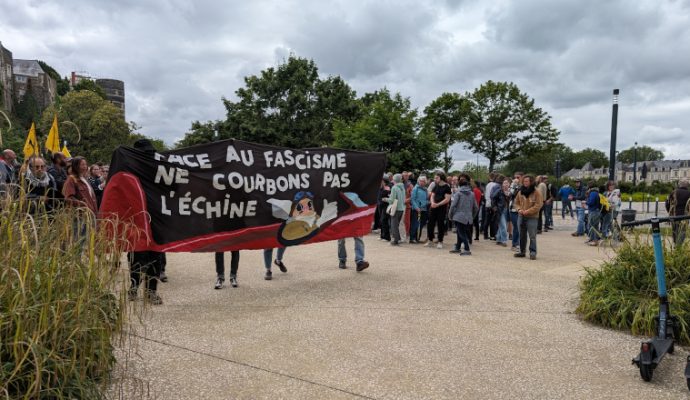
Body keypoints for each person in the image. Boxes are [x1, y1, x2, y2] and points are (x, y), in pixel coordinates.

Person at [514, 175, 543, 260]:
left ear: (531, 182)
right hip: (521, 216)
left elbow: (539, 205)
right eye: (524, 181)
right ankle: (522, 252)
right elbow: (516, 202)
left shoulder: (536, 192)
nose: (525, 183)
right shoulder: (520, 192)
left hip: (532, 217)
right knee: (522, 235)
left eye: (527, 181)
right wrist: (519, 209)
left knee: (532, 236)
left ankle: (533, 252)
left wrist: (528, 211)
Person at [448, 175, 478, 255]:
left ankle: (467, 248)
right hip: (468, 217)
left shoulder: (458, 193)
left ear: (459, 185)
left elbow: (453, 205)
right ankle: (458, 247)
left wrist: (450, 215)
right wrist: (472, 216)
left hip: (458, 216)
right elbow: (476, 207)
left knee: (461, 233)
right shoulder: (472, 194)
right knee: (460, 232)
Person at [426, 172, 452, 249]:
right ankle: (430, 240)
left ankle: (440, 241)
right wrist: (433, 202)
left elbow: (447, 199)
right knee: (430, 224)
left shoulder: (447, 187)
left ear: (441, 178)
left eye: (436, 178)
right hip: (433, 207)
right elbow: (432, 195)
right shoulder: (436, 186)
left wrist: (437, 204)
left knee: (440, 225)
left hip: (441, 209)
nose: (435, 179)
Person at [665, 179, 690, 245]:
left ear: (679, 185)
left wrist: (670, 212)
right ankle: (679, 246)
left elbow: (667, 204)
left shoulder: (673, 192)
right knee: (683, 231)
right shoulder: (689, 193)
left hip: (674, 215)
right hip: (685, 216)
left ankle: (676, 244)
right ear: (687, 186)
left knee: (675, 231)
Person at [384, 173, 406, 245]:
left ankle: (395, 241)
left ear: (394, 180)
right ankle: (398, 238)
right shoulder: (402, 187)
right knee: (397, 225)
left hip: (395, 208)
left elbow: (392, 200)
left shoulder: (394, 187)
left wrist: (385, 199)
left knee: (393, 225)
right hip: (401, 208)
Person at [409, 175, 429, 243]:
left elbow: (427, 199)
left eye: (423, 181)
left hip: (424, 209)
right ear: (418, 181)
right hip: (416, 209)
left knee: (421, 224)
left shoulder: (426, 189)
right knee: (415, 224)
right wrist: (416, 207)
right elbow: (412, 199)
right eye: (420, 181)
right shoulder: (415, 188)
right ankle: (412, 238)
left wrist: (425, 203)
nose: (422, 182)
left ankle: (417, 238)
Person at [493, 177, 510, 247]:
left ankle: (498, 239)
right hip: (500, 210)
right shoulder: (499, 191)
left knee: (502, 225)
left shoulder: (510, 192)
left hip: (508, 210)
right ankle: (504, 240)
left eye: (507, 183)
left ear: (509, 184)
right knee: (503, 225)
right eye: (504, 183)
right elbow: (493, 198)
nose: (506, 184)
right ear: (502, 184)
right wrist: (494, 207)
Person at [585, 181, 602, 246]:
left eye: (588, 186)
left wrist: (585, 202)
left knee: (593, 226)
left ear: (590, 186)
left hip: (594, 211)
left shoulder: (593, 193)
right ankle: (592, 239)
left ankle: (595, 240)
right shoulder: (596, 192)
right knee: (594, 226)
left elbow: (591, 202)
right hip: (596, 211)